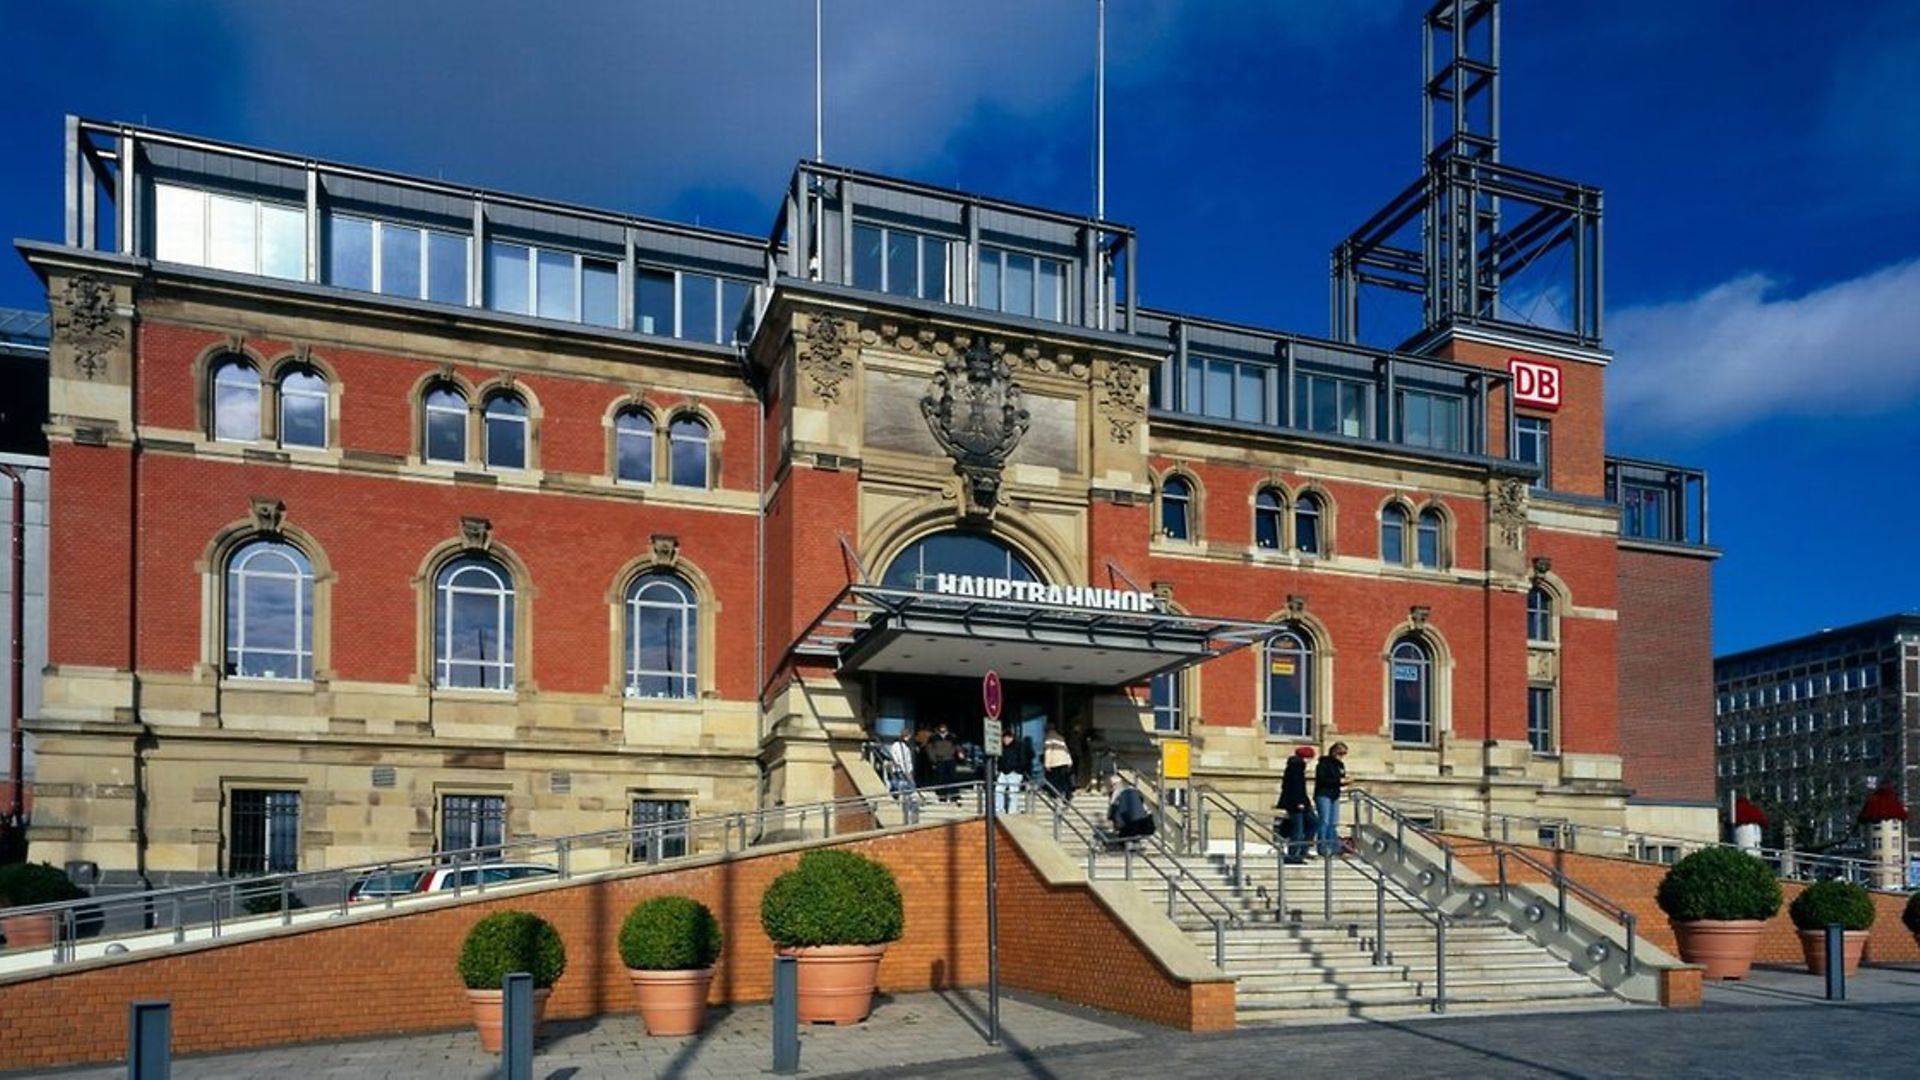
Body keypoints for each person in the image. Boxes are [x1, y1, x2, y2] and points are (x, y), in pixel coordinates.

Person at [1275, 745, 1315, 864]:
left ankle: (1302, 850)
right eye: (1310, 758)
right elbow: (1295, 786)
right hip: (1296, 803)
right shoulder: (1296, 766)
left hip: (1300, 802)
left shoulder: (1296, 766)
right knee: (1297, 829)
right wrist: (1300, 802)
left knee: (1313, 823)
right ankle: (1293, 855)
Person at [1313, 741, 1350, 857]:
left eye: (1344, 753)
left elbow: (1340, 779)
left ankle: (1332, 846)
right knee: (1325, 821)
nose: (1342, 756)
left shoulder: (1340, 765)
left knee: (1333, 823)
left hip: (1334, 795)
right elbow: (1323, 780)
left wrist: (1345, 782)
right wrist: (1339, 781)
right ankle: (1322, 847)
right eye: (1340, 753)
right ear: (1334, 752)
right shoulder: (1324, 763)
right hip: (1323, 794)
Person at [1103, 774, 1156, 848]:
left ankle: (1129, 844)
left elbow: (1113, 811)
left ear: (1113, 785)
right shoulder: (1134, 790)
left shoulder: (1117, 793)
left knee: (1124, 836)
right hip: (1143, 823)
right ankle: (1135, 843)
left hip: (1129, 824)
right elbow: (1144, 807)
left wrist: (1113, 821)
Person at [994, 729, 1029, 813]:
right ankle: (999, 810)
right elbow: (1000, 759)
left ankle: (1012, 811)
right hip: (1003, 772)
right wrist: (999, 770)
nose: (1004, 740)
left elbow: (1023, 760)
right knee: (998, 790)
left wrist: (1017, 770)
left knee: (1013, 793)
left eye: (1006, 738)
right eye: (1003, 738)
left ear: (1011, 738)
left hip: (1014, 773)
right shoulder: (1002, 747)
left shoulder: (1019, 746)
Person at [926, 723, 959, 800]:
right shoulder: (933, 737)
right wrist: (933, 759)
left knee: (952, 778)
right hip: (940, 760)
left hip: (950, 759)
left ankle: (953, 795)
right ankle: (942, 795)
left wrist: (960, 753)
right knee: (941, 778)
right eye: (941, 727)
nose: (943, 729)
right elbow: (929, 749)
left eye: (944, 727)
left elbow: (957, 746)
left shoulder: (952, 737)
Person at [1042, 726, 1073, 797]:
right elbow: (1066, 750)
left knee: (1054, 779)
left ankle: (1054, 794)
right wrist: (1069, 761)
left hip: (1055, 763)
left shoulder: (1049, 738)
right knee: (1064, 779)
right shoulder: (1060, 737)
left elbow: (1048, 752)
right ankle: (1068, 794)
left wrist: (1047, 764)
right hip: (1064, 761)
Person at [885, 731, 917, 800]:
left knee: (909, 785)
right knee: (899, 783)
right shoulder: (896, 745)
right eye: (908, 737)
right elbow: (898, 758)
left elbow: (908, 760)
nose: (909, 739)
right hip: (899, 769)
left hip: (906, 769)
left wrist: (909, 770)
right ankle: (895, 795)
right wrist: (905, 770)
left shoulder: (906, 747)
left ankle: (904, 797)